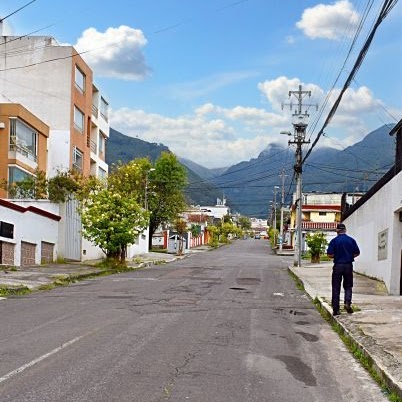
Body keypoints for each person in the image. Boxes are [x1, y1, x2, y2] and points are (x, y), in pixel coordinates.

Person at [326, 223, 360, 316]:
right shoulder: (351, 240)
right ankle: (347, 303)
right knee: (348, 286)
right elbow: (357, 253)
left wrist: (337, 255)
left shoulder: (334, 241)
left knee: (336, 287)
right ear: (345, 230)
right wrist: (349, 256)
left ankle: (336, 309)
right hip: (348, 265)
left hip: (338, 265)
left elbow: (329, 254)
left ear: (337, 231)